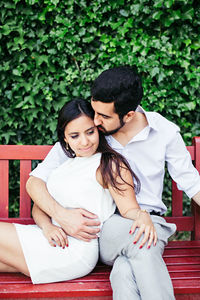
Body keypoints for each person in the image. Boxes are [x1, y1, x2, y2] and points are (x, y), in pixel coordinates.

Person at [26, 66, 200, 299]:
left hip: (148, 220)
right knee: (143, 242)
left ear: (128, 115)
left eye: (104, 116)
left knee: (124, 271)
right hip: (106, 227)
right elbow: (35, 182)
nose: (95, 120)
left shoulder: (163, 131)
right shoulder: (90, 134)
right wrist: (61, 215)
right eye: (95, 111)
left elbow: (191, 182)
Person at [0, 98, 156, 284]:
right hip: (49, 237)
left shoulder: (109, 164)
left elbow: (128, 208)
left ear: (98, 129)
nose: (84, 142)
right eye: (75, 136)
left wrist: (142, 215)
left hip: (74, 249)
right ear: (65, 138)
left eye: (90, 132)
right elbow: (39, 207)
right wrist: (48, 226)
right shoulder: (65, 165)